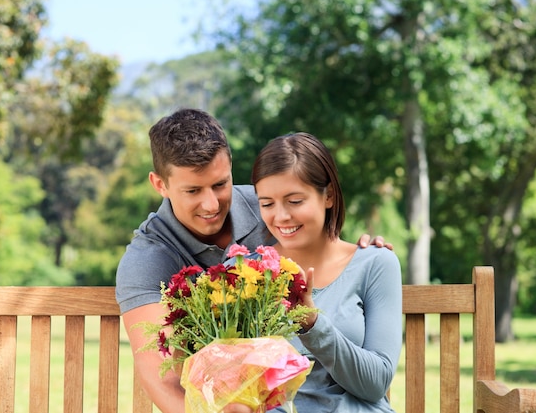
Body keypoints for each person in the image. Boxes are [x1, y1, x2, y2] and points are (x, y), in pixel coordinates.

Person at [115, 108, 390, 413]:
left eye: (220, 184)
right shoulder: (148, 258)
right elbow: (163, 373)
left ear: (231, 168)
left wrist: (365, 250)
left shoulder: (268, 205)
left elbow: (317, 227)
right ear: (159, 184)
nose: (211, 204)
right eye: (193, 190)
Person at [251, 132, 403, 412]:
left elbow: (376, 383)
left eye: (295, 201)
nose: (281, 216)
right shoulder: (245, 274)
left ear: (329, 196)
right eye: (267, 204)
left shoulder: (375, 264)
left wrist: (312, 325)